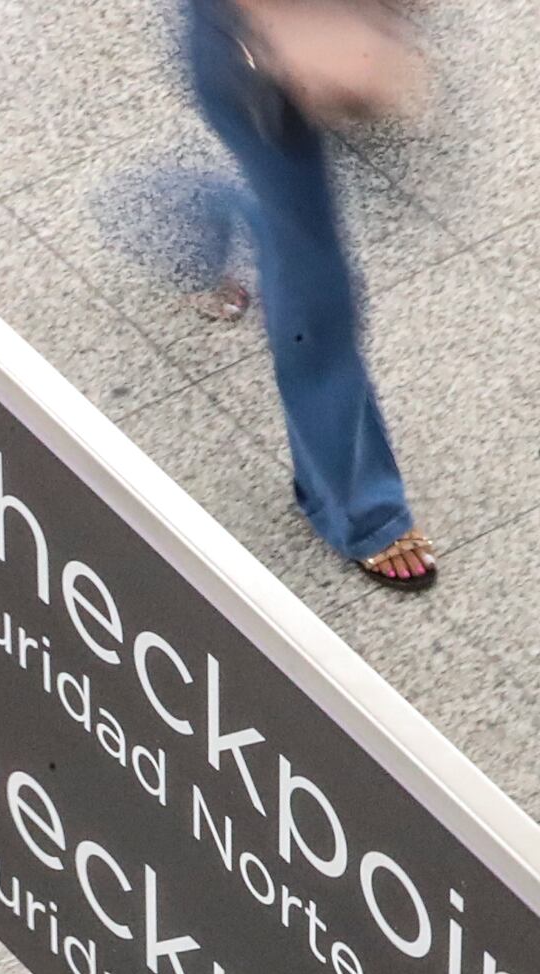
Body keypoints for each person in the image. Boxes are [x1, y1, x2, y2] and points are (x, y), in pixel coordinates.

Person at [185, 0, 438, 591]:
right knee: (319, 297)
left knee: (290, 224)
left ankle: (179, 223)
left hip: (271, 38)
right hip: (258, 52)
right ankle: (360, 511)